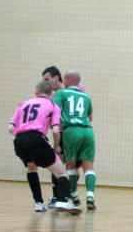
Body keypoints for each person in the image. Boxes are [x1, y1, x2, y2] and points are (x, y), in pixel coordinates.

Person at [8, 80, 81, 215]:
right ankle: (61, 201)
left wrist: (22, 138)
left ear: (36, 92)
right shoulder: (53, 105)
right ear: (51, 93)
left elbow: (10, 128)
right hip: (37, 139)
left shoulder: (23, 104)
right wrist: (55, 147)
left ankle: (38, 203)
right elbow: (55, 130)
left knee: (31, 168)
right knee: (61, 173)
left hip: (20, 141)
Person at [42, 66, 86, 208]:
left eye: (47, 79)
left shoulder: (78, 89)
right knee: (58, 164)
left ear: (56, 77)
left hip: (74, 132)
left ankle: (69, 193)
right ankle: (58, 197)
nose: (46, 83)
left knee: (74, 167)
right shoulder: (52, 97)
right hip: (60, 133)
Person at [53, 71, 97, 210]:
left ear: (67, 80)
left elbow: (54, 110)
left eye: (64, 79)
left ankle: (74, 196)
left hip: (71, 130)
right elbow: (90, 117)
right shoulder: (86, 96)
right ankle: (90, 197)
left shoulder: (62, 93)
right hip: (88, 131)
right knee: (89, 166)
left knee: (70, 165)